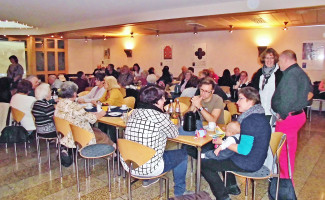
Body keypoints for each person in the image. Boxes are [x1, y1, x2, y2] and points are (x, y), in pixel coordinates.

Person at [201, 87, 271, 200]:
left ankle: (223, 197)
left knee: (204, 164)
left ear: (250, 100)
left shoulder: (250, 121)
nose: (237, 102)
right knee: (222, 153)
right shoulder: (259, 115)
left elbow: (243, 150)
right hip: (256, 157)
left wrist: (223, 142)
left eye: (240, 99)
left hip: (249, 162)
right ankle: (232, 186)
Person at [120, 85, 188, 196]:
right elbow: (174, 134)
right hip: (149, 168)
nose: (165, 100)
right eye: (162, 98)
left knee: (149, 147)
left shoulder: (134, 113)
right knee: (183, 154)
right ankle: (180, 192)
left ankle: (148, 180)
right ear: (155, 101)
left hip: (131, 165)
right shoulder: (159, 117)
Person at [271, 50, 312, 183]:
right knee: (288, 149)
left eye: (280, 62)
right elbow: (310, 93)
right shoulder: (301, 73)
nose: (279, 65)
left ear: (286, 60)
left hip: (288, 117)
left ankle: (286, 183)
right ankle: (285, 178)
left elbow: (288, 98)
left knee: (284, 152)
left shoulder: (291, 74)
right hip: (298, 114)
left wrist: (281, 114)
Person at [55, 81, 114, 148]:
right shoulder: (75, 106)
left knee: (97, 130)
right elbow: (92, 119)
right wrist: (101, 113)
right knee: (103, 136)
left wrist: (89, 114)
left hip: (65, 134)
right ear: (74, 94)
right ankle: (113, 153)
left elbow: (78, 115)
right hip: (77, 136)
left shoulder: (60, 103)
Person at [251, 48, 282, 121]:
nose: (269, 61)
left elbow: (282, 93)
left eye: (271, 58)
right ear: (263, 59)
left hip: (274, 110)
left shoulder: (280, 73)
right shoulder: (258, 73)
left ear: (275, 59)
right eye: (267, 58)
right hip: (260, 109)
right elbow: (254, 91)